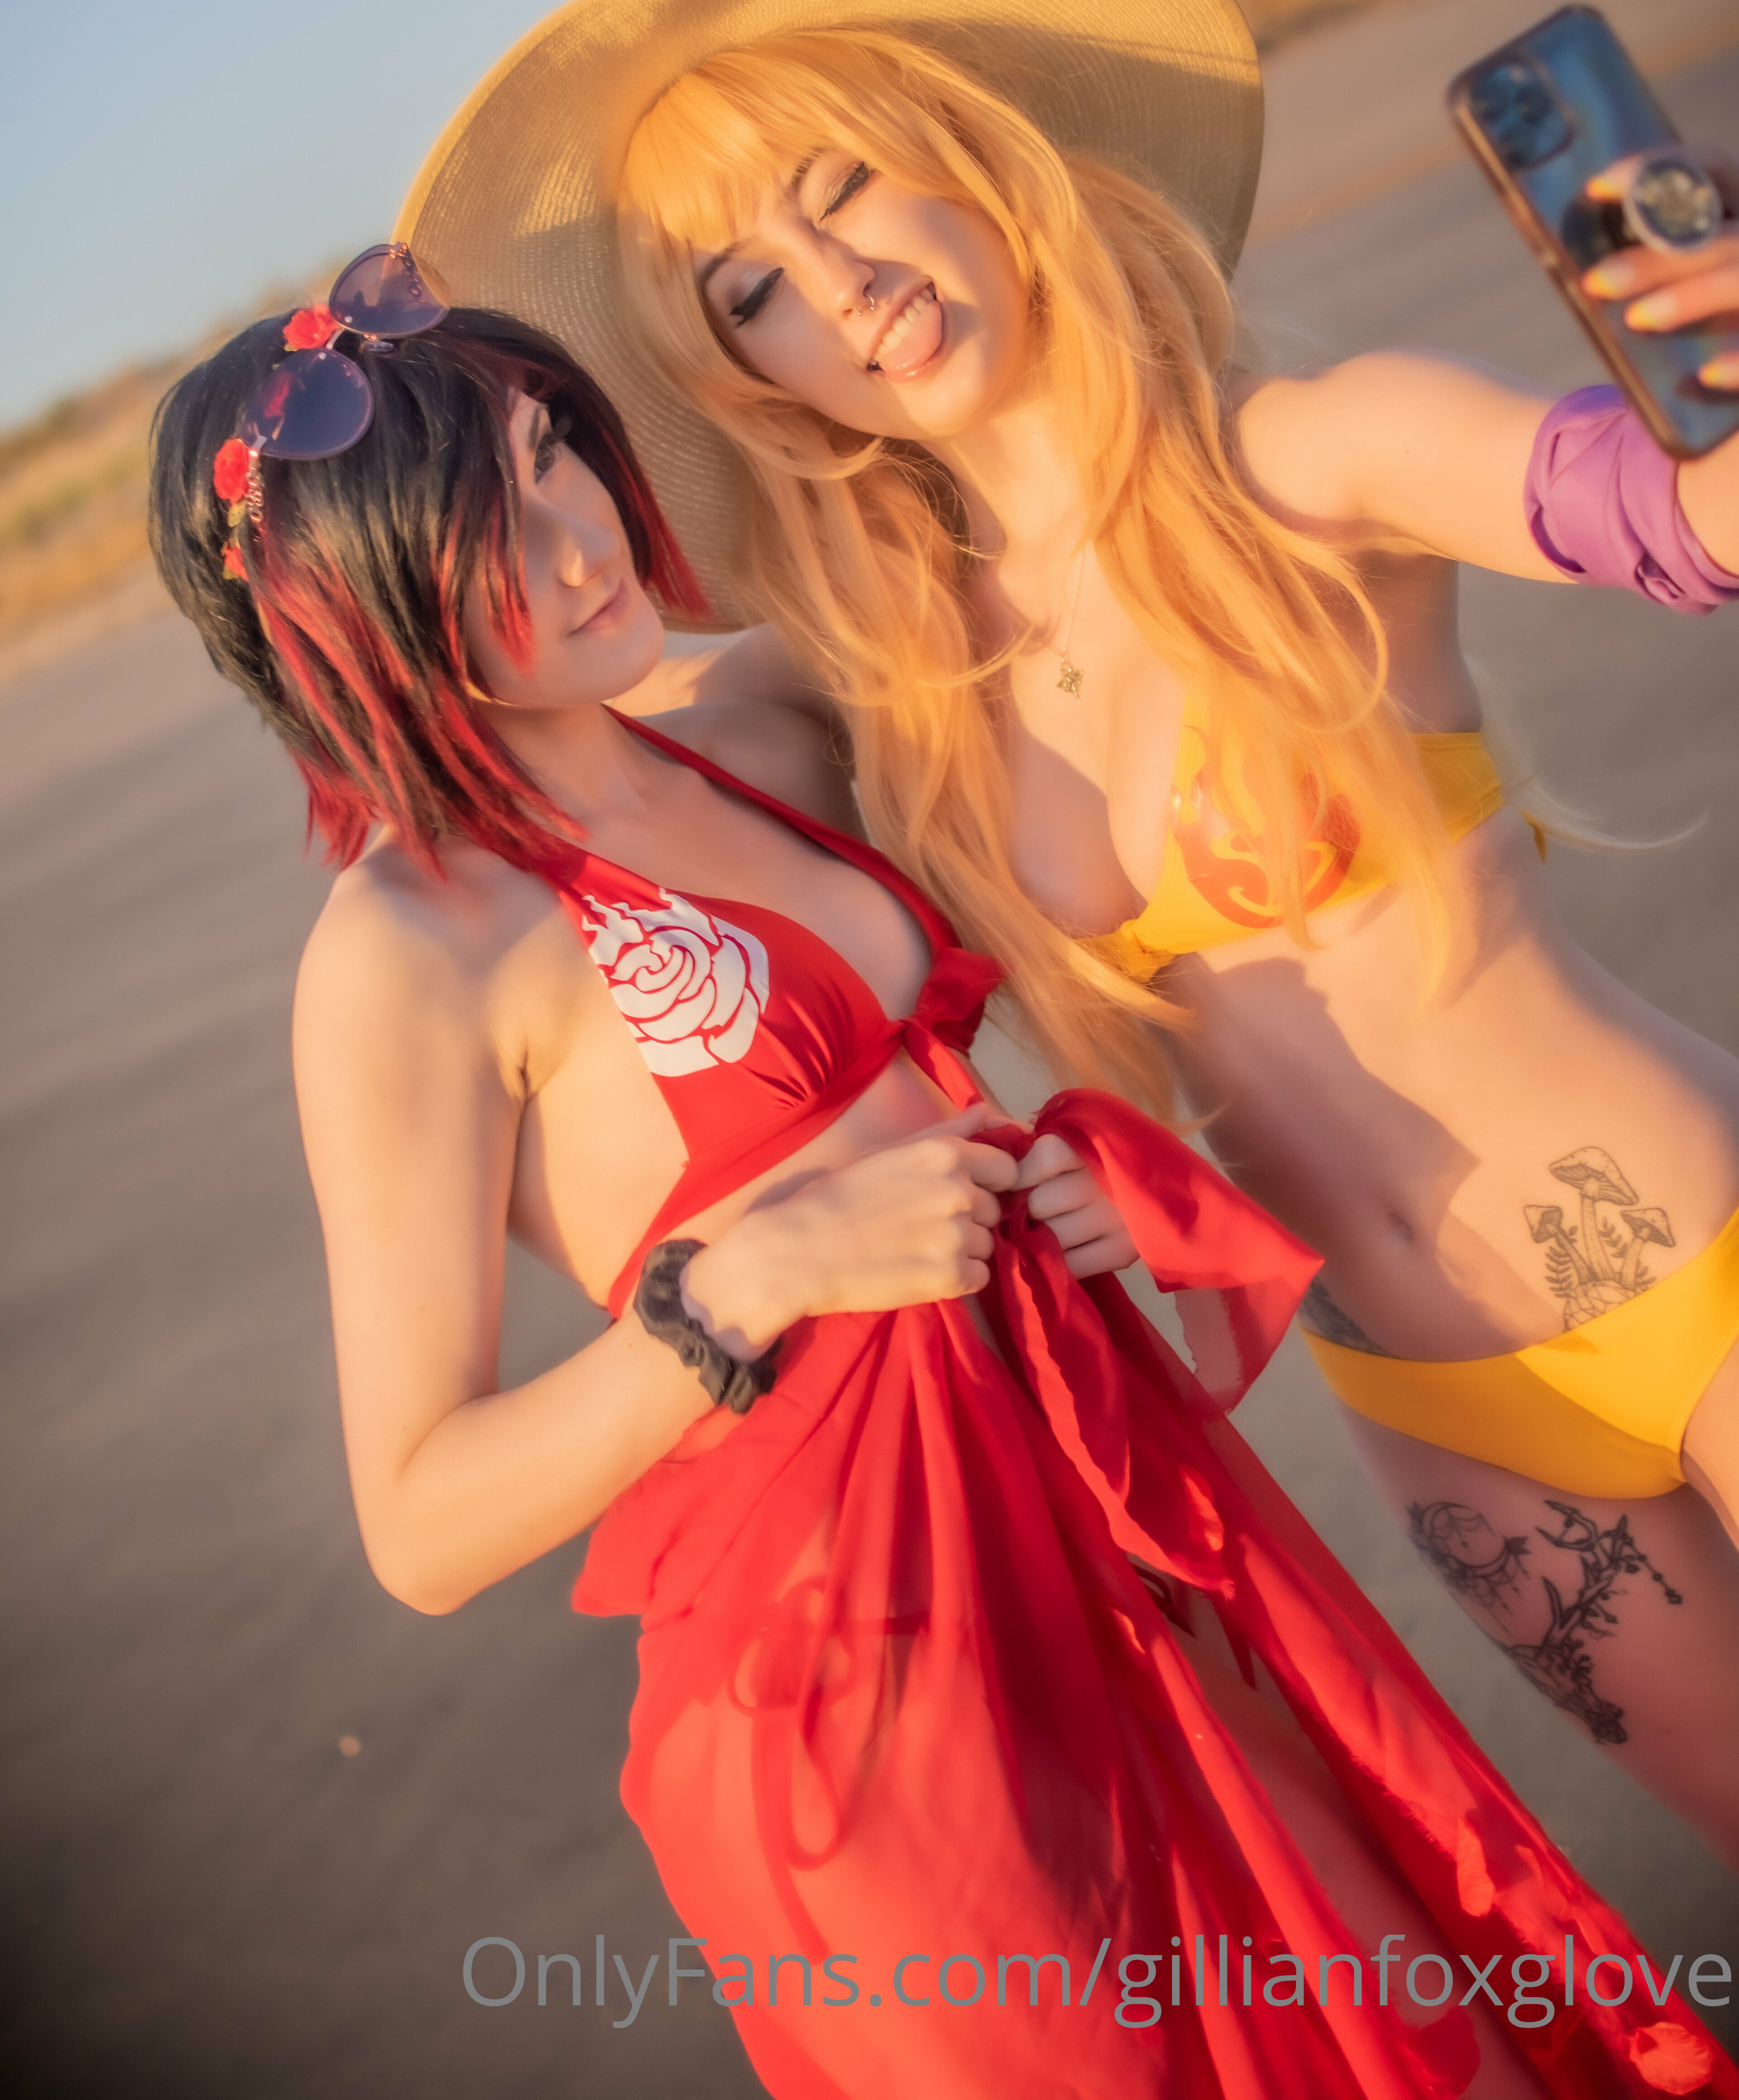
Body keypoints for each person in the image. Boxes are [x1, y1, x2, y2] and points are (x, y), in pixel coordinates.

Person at [147, 266, 1720, 2099]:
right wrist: (751, 1281)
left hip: (1110, 1533)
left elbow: (1027, 595)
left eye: (551, 451)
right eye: (484, 533)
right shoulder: (410, 951)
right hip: (873, 1681)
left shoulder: (755, 738)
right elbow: (422, 1522)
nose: (576, 542)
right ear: (346, 615)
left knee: (1440, 2042)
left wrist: (1073, 1183)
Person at [393, 0, 1739, 1863]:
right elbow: (566, 797)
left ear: (969, 158)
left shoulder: (1305, 460)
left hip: (1693, 1251)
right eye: (752, 289)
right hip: (1444, 1416)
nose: (836, 286)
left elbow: (1685, 522)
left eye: (842, 189)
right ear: (755, 382)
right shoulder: (874, 678)